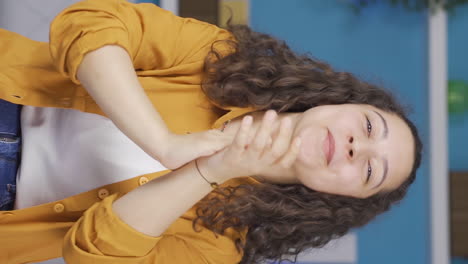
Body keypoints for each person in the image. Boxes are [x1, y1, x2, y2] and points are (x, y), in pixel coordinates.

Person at [0, 0, 423, 263]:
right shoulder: (223, 59)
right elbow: (89, 24)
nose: (357, 147)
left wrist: (207, 172)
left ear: (342, 200)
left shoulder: (219, 248)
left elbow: (97, 257)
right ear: (342, 101)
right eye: (369, 126)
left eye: (370, 171)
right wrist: (163, 144)